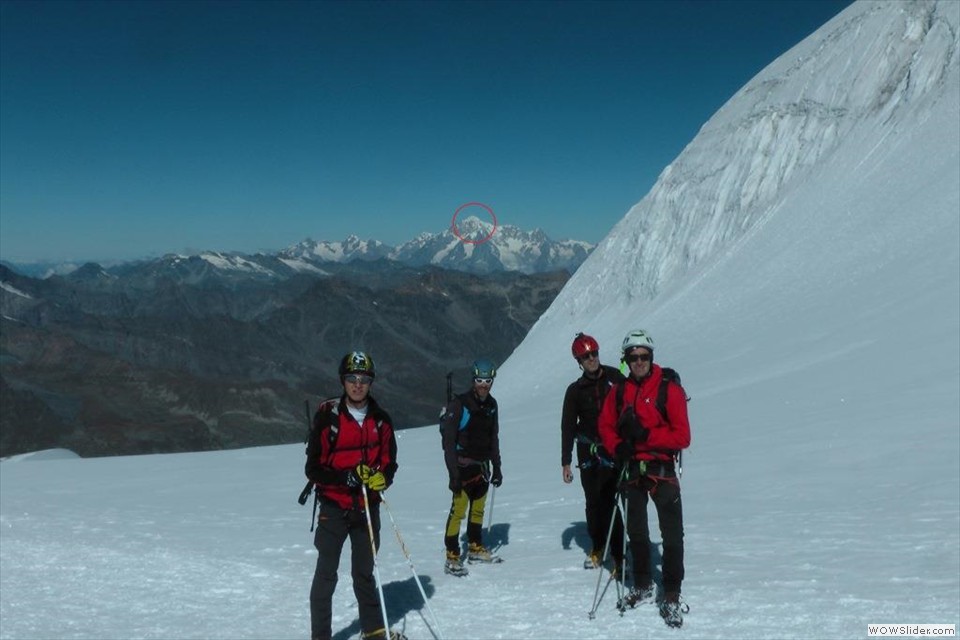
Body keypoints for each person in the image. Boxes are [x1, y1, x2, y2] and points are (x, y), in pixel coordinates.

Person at [304, 351, 404, 640]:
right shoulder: (329, 419)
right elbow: (313, 468)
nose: (358, 385)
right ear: (343, 381)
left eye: (363, 379)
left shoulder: (381, 421)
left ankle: (372, 630)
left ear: (371, 382)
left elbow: (389, 463)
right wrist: (344, 477)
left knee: (364, 573)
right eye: (352, 379)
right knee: (326, 575)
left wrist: (382, 478)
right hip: (334, 507)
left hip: (366, 508)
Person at [597, 329, 691, 628]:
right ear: (625, 359)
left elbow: (682, 436)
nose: (639, 362)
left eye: (644, 356)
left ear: (651, 357)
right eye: (633, 357)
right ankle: (642, 583)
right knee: (636, 531)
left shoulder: (669, 390)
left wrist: (646, 436)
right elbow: (605, 426)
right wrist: (617, 446)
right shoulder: (619, 391)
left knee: (672, 535)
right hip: (631, 470)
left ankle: (672, 593)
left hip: (661, 470)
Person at [561, 332, 626, 571]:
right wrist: (566, 461)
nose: (592, 359)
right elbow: (567, 426)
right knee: (593, 502)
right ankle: (598, 546)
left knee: (610, 501)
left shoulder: (615, 378)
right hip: (587, 450)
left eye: (594, 353)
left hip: (613, 449)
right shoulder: (575, 391)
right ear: (579, 361)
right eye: (586, 356)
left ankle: (619, 552)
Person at [440, 358, 503, 576]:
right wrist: (453, 474)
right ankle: (452, 555)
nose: (484, 384)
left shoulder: (492, 405)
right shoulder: (460, 404)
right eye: (480, 380)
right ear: (473, 380)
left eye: (487, 380)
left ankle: (475, 546)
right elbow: (448, 442)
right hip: (462, 466)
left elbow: (493, 437)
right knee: (458, 510)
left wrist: (497, 467)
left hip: (482, 466)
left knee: (477, 508)